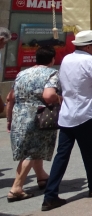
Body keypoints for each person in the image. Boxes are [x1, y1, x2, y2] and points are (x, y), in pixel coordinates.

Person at [42, 31, 92, 211]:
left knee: (62, 155)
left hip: (67, 114)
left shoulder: (67, 59)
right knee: (90, 152)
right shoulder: (90, 60)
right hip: (85, 113)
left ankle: (50, 195)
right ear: (89, 46)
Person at [6, 46, 59, 202]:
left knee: (35, 147)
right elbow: (49, 96)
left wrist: (9, 119)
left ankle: (41, 176)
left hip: (19, 115)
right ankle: (16, 188)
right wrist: (59, 99)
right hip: (38, 116)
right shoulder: (51, 73)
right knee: (31, 151)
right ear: (52, 59)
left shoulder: (22, 74)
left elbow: (10, 98)